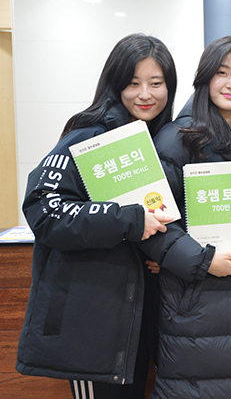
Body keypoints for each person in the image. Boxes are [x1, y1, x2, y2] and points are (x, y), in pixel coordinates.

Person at [17, 33, 177, 399]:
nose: (145, 94)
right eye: (133, 83)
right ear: (115, 85)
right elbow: (44, 210)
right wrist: (128, 220)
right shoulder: (86, 137)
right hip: (92, 329)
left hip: (132, 326)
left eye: (156, 83)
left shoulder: (158, 142)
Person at [140, 36, 231, 399]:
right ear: (204, 77)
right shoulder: (177, 139)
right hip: (196, 304)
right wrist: (203, 261)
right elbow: (154, 222)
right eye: (222, 73)